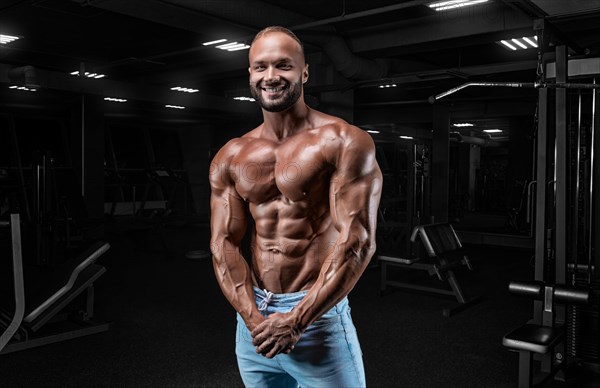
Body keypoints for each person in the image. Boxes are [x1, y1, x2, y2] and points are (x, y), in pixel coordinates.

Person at [209, 25, 382, 388]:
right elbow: (223, 243)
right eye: (260, 67)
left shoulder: (343, 141)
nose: (271, 76)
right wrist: (253, 317)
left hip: (316, 318)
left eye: (283, 66)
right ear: (250, 75)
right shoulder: (232, 154)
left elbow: (357, 241)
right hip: (252, 317)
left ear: (304, 72)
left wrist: (297, 320)